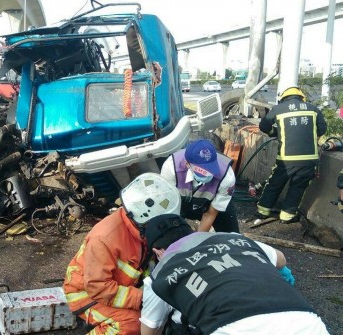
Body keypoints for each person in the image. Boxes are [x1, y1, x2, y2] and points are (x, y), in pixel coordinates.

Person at [138, 214, 330, 335]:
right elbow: (280, 259)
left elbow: (149, 330)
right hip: (307, 323)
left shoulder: (160, 276)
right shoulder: (234, 238)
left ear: (158, 251)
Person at [63, 173, 181, 335]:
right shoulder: (104, 238)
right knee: (133, 324)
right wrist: (143, 298)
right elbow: (97, 288)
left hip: (123, 287)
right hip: (87, 295)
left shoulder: (141, 230)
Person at [257, 86, 327, 223]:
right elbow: (322, 129)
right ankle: (287, 216)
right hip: (309, 159)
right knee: (298, 187)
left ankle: (263, 211)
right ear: (301, 97)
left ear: (283, 98)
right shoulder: (313, 109)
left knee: (275, 183)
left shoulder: (278, 109)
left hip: (286, 158)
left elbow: (263, 126)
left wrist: (275, 134)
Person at [160, 139, 238, 233]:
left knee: (231, 237)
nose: (208, 174)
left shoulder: (226, 176)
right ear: (187, 164)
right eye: (202, 171)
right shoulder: (171, 167)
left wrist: (197, 241)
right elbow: (169, 208)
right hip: (178, 202)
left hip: (209, 204)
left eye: (210, 169)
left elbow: (210, 214)